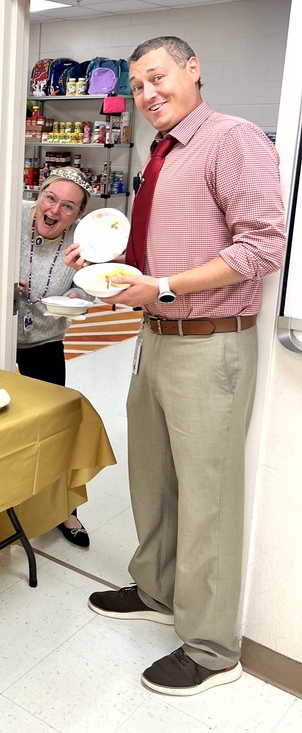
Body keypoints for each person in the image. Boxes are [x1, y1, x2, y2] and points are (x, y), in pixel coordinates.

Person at [70, 36, 286, 696]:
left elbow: (263, 245)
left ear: (193, 70)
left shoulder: (233, 139)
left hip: (211, 342)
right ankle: (158, 590)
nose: (147, 95)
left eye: (157, 78)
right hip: (157, 337)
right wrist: (105, 264)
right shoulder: (163, 154)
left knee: (207, 497)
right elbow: (160, 249)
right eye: (137, 86)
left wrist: (165, 287)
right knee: (153, 477)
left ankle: (213, 649)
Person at [17, 166, 95, 548]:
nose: (55, 210)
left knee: (54, 425)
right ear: (38, 195)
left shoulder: (87, 241)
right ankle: (4, 501)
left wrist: (80, 293)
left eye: (68, 206)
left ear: (78, 214)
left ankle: (64, 507)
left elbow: (91, 288)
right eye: (50, 198)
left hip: (45, 340)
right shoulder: (9, 215)